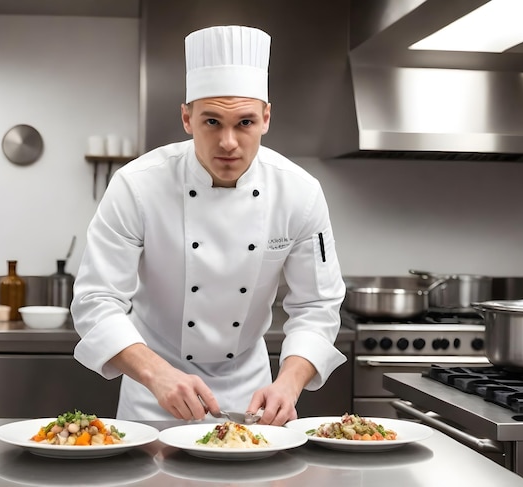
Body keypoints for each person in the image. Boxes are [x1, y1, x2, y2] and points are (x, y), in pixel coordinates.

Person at [71, 25, 346, 426]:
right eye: (212, 122)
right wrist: (157, 374)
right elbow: (96, 301)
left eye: (245, 123)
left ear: (266, 118)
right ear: (187, 118)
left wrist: (289, 383)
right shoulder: (138, 185)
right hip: (155, 393)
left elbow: (317, 305)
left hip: (253, 397)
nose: (229, 142)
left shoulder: (300, 193)